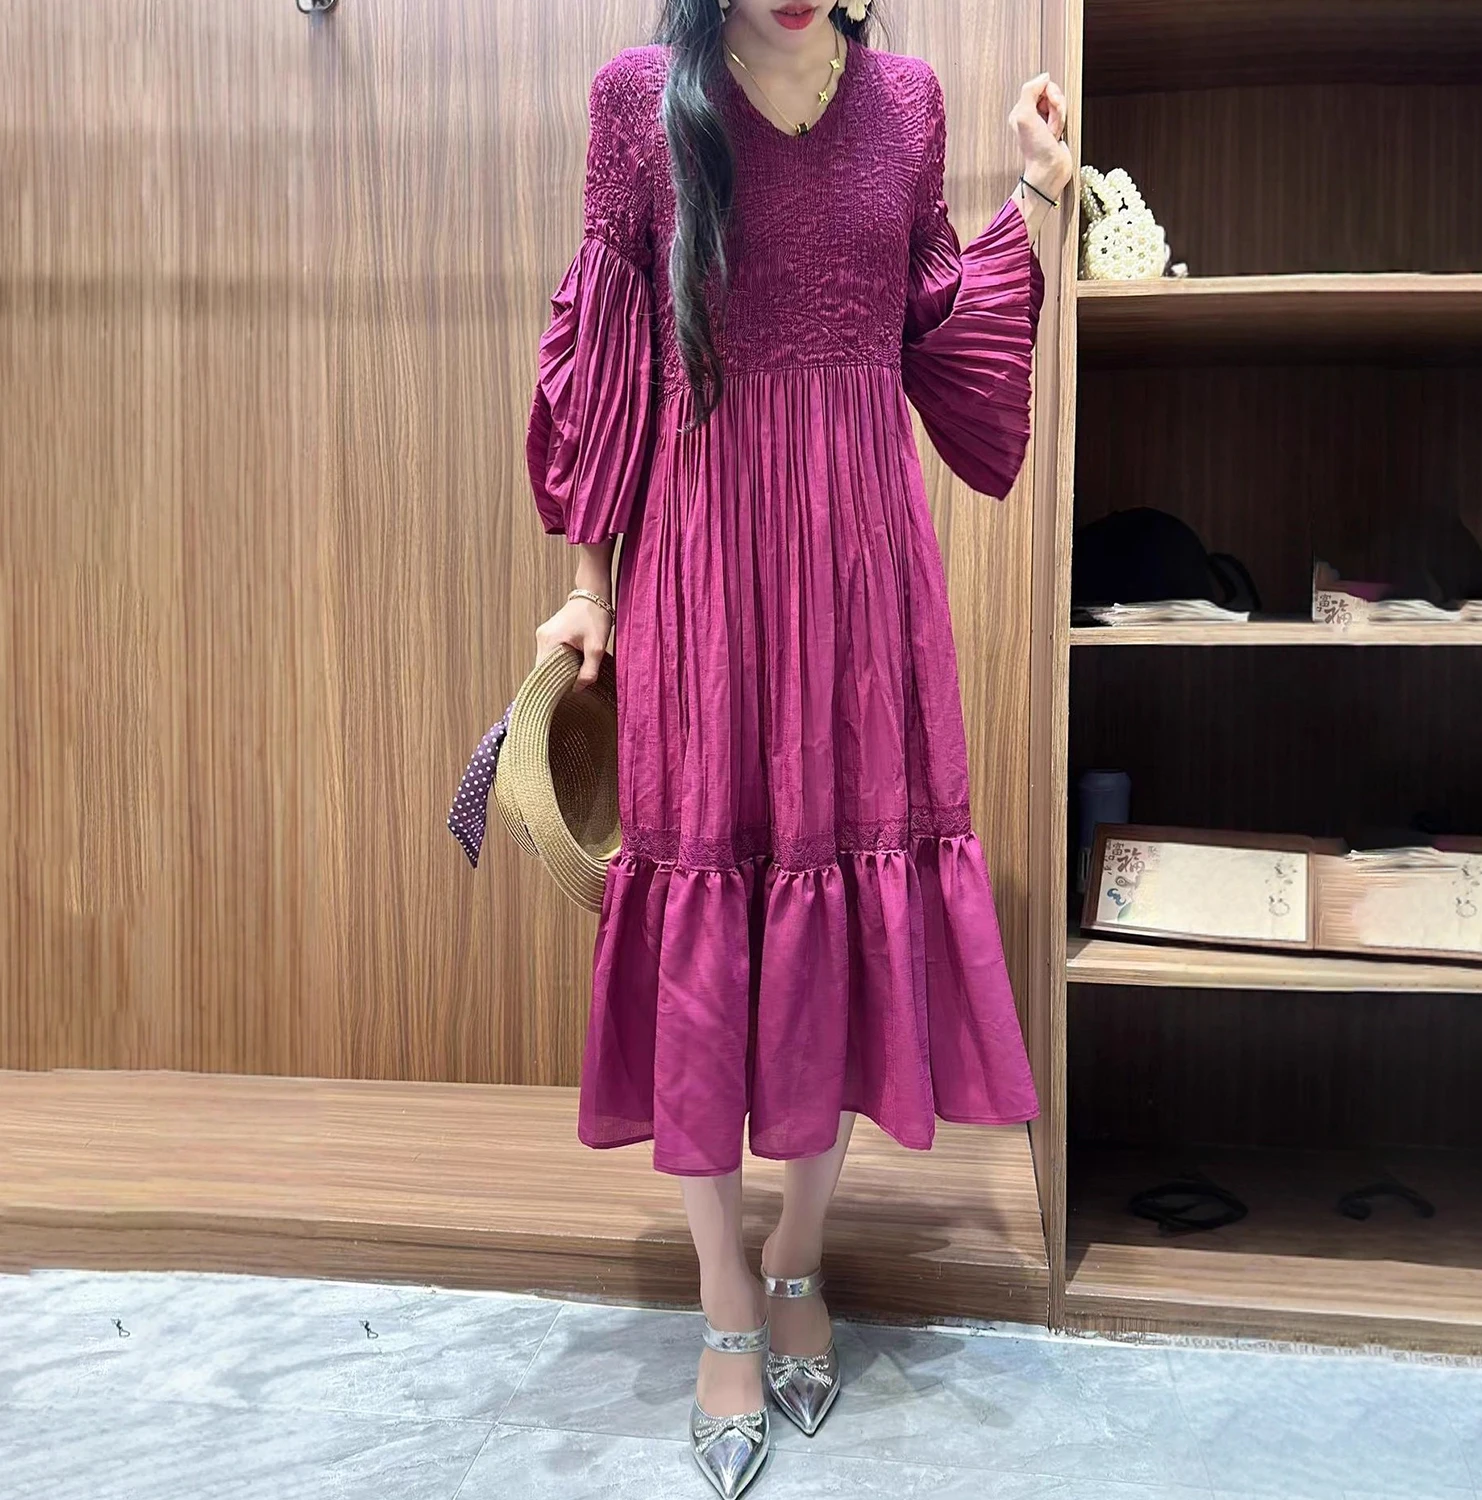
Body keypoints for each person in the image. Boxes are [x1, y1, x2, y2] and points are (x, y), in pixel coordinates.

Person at [527, 1, 1069, 1493]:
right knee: (707, 910)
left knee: (842, 898)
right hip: (701, 557)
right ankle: (722, 1296)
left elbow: (937, 338)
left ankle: (797, 1256)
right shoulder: (641, 101)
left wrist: (1035, 197)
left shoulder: (906, 104)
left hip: (861, 567)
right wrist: (588, 590)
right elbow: (610, 358)